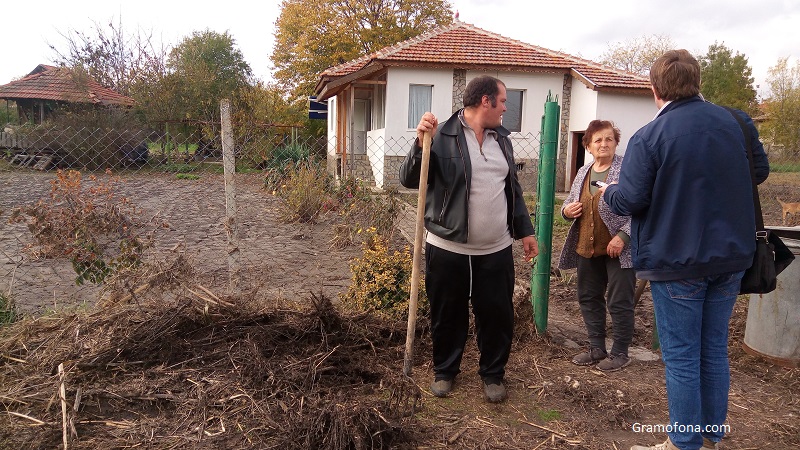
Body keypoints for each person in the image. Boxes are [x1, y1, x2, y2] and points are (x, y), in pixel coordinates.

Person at [600, 50, 769, 450]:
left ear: (655, 89)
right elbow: (757, 173)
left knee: (681, 357)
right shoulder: (738, 123)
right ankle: (712, 439)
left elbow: (632, 200)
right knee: (713, 350)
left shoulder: (650, 136)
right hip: (731, 257)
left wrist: (610, 193)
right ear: (697, 83)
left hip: (677, 262)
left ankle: (684, 443)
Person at [398, 75, 538, 403]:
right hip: (448, 246)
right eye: (503, 101)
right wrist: (420, 143)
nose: (506, 108)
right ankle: (445, 372)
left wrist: (525, 231)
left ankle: (492, 374)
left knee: (496, 314)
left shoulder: (502, 139)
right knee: (448, 313)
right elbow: (408, 179)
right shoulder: (441, 135)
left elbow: (512, 190)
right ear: (485, 101)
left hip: (496, 248)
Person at [558, 120, 636, 372]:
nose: (604, 144)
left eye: (609, 139)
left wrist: (624, 236)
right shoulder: (584, 171)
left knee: (619, 300)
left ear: (616, 142)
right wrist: (567, 211)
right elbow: (569, 204)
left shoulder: (629, 170)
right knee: (589, 297)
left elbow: (645, 208)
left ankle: (621, 352)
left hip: (618, 249)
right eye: (598, 140)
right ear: (589, 146)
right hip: (587, 247)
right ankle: (596, 348)